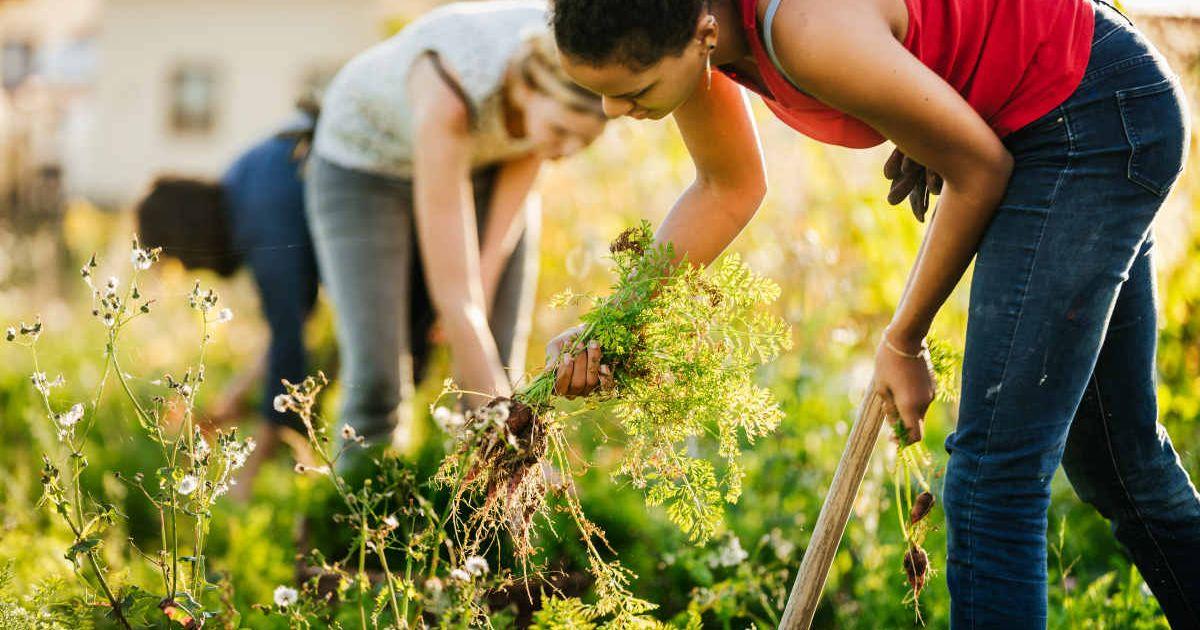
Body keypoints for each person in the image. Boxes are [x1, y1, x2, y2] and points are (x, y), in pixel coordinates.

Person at [545, 0, 1198, 626]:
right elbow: (726, 186)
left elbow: (976, 168)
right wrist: (616, 324)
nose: (613, 110)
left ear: (703, 31)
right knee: (1117, 457)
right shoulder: (702, 35)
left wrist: (903, 342)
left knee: (992, 486)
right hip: (1073, 105)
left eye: (634, 91)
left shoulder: (800, 28)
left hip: (1084, 119)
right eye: (600, 92)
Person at [306, 1, 607, 458]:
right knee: (378, 379)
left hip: (484, 160)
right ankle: (358, 504)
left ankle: (480, 514)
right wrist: (514, 439)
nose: (565, 151)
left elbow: (530, 155)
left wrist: (482, 284)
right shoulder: (449, 93)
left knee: (497, 354)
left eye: (584, 141)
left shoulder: (568, 65)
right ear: (526, 89)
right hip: (363, 169)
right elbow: (455, 299)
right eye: (562, 131)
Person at [136, 102, 321, 498]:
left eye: (180, 259)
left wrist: (244, 480)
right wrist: (235, 397)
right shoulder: (244, 179)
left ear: (188, 237)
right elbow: (294, 320)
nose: (189, 269)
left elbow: (290, 348)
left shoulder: (260, 223)